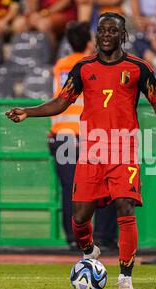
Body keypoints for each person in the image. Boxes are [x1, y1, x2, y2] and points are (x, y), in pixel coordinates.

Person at [6, 12, 156, 289]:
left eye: (113, 31)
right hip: (92, 151)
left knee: (125, 205)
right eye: (103, 31)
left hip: (124, 148)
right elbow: (61, 103)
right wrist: (28, 112)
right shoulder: (83, 67)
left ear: (123, 35)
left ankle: (125, 276)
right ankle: (89, 252)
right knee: (79, 216)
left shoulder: (139, 67)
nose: (107, 35)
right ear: (96, 35)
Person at [50, 21, 118, 250]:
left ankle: (74, 238)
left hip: (62, 136)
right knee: (107, 188)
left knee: (72, 190)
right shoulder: (93, 65)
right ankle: (103, 237)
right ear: (90, 42)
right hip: (91, 137)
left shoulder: (61, 65)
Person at [11, 0, 77, 53]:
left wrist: (45, 13)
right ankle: (22, 57)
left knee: (43, 25)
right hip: (41, 14)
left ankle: (49, 57)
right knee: (18, 24)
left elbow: (66, 2)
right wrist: (33, 14)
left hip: (62, 12)